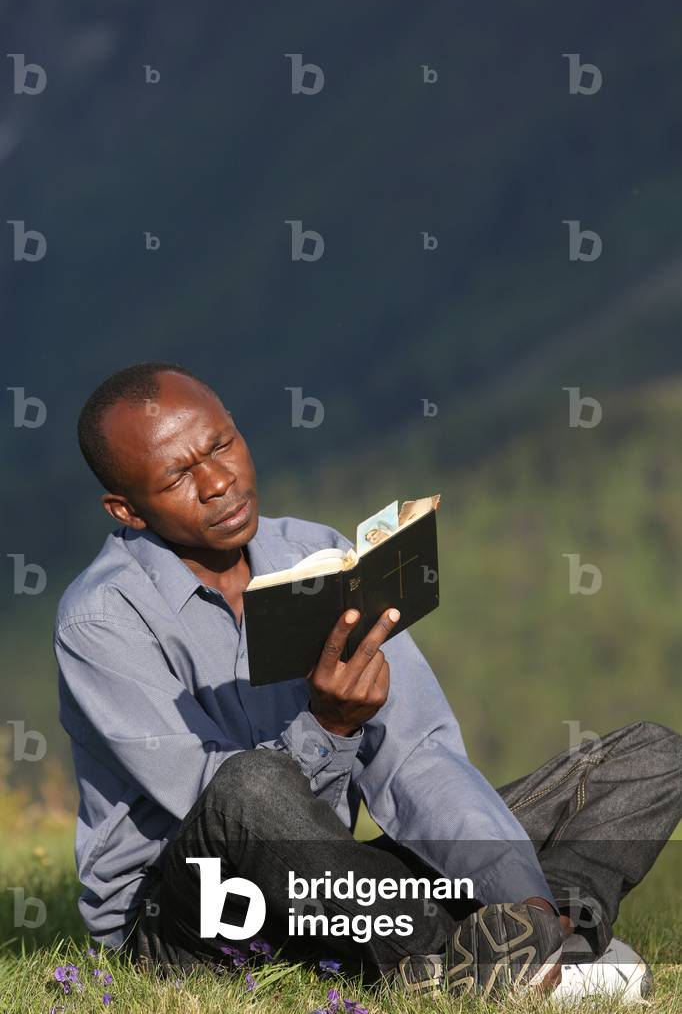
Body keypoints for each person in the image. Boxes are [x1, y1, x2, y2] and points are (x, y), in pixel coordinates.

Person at [54, 362, 682, 1002]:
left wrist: (521, 896)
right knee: (250, 782)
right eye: (179, 476)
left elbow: (415, 755)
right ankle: (462, 962)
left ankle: (540, 937)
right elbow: (225, 813)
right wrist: (327, 727)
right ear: (127, 510)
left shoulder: (316, 555)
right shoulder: (103, 620)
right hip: (198, 913)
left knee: (647, 759)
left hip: (339, 883)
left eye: (221, 445)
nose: (218, 482)